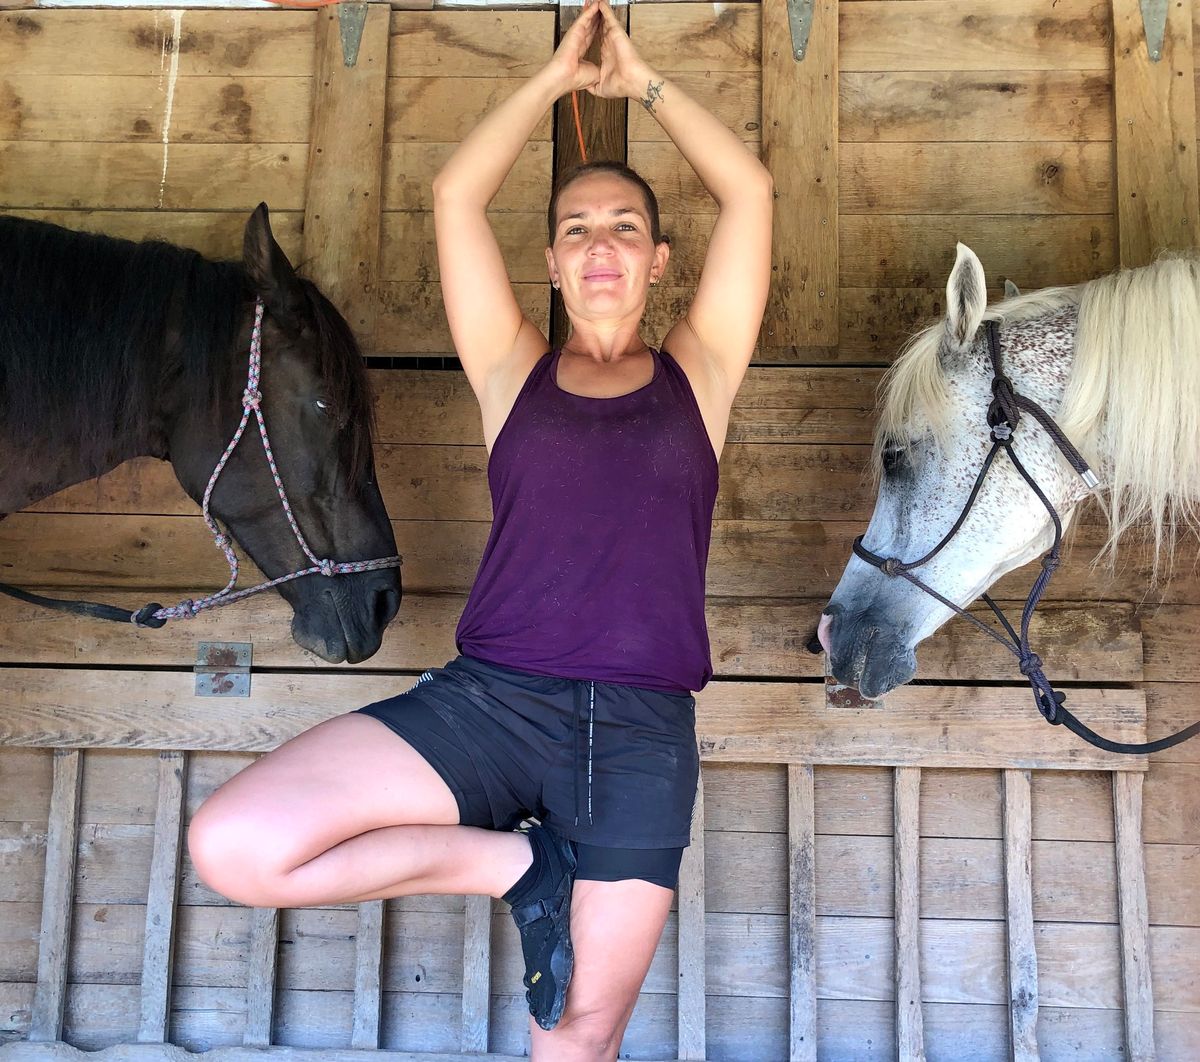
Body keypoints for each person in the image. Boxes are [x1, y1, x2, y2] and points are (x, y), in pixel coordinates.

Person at [187, 2, 772, 1057]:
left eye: (626, 229)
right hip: (493, 704)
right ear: (549, 262)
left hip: (639, 740)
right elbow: (457, 193)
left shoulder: (704, 374)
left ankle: (542, 877)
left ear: (662, 260)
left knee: (575, 1044)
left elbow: (752, 191)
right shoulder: (513, 374)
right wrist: (552, 82)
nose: (602, 245)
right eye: (578, 230)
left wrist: (642, 81)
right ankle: (519, 869)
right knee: (238, 845)